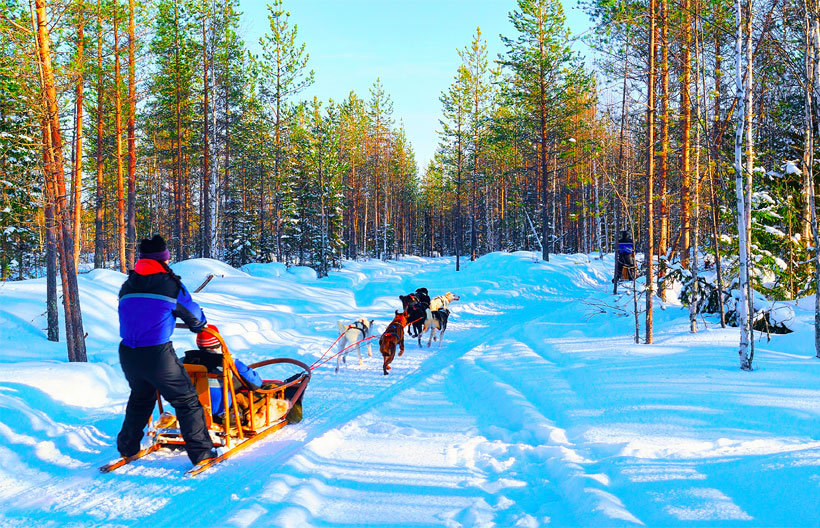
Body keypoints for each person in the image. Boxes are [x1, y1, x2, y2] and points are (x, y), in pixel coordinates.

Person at [116, 235, 215, 466]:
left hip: (128, 353)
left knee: (141, 397)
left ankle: (127, 448)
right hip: (157, 354)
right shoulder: (170, 284)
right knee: (186, 400)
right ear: (164, 258)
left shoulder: (128, 284)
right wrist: (197, 324)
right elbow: (195, 319)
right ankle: (202, 454)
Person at [183, 324, 262, 419]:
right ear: (219, 343)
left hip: (190, 414)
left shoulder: (183, 362)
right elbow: (256, 383)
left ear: (198, 343)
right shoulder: (229, 362)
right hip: (224, 416)